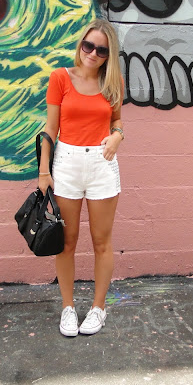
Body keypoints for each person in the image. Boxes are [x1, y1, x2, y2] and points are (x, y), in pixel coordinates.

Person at [38, 18, 124, 337]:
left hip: (102, 164)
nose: (93, 53)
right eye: (88, 45)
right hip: (67, 164)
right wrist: (44, 171)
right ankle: (68, 307)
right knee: (66, 243)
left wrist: (117, 137)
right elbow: (50, 128)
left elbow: (117, 122)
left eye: (102, 50)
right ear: (80, 45)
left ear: (109, 55)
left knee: (102, 242)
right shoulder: (60, 77)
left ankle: (99, 308)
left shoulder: (113, 82)